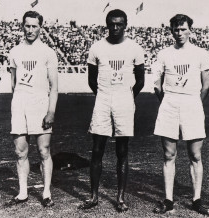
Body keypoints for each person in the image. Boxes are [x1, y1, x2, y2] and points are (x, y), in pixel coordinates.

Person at [80, 9, 145, 212]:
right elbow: (91, 79)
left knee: (122, 150)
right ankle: (93, 196)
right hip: (103, 99)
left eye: (119, 24)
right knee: (97, 148)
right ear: (106, 24)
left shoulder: (134, 48)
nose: (115, 28)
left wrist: (127, 96)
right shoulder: (97, 47)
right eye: (112, 24)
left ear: (126, 25)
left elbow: (141, 80)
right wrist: (103, 95)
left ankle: (120, 198)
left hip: (124, 100)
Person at [152, 14, 209, 215]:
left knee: (195, 154)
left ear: (190, 30)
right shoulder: (164, 54)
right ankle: (168, 199)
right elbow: (157, 86)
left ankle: (196, 199)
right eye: (176, 30)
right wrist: (168, 102)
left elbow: (206, 85)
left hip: (192, 103)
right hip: (170, 102)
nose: (180, 33)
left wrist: (194, 103)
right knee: (169, 154)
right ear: (171, 31)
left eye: (183, 29)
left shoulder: (200, 54)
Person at [6, 11, 58, 208]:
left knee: (44, 150)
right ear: (22, 26)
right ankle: (22, 192)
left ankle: (46, 193)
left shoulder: (48, 52)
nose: (30, 30)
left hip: (40, 104)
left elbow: (54, 87)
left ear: (40, 28)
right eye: (27, 26)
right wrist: (19, 103)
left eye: (34, 26)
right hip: (20, 104)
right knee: (20, 152)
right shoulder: (15, 52)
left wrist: (51, 111)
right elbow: (13, 84)